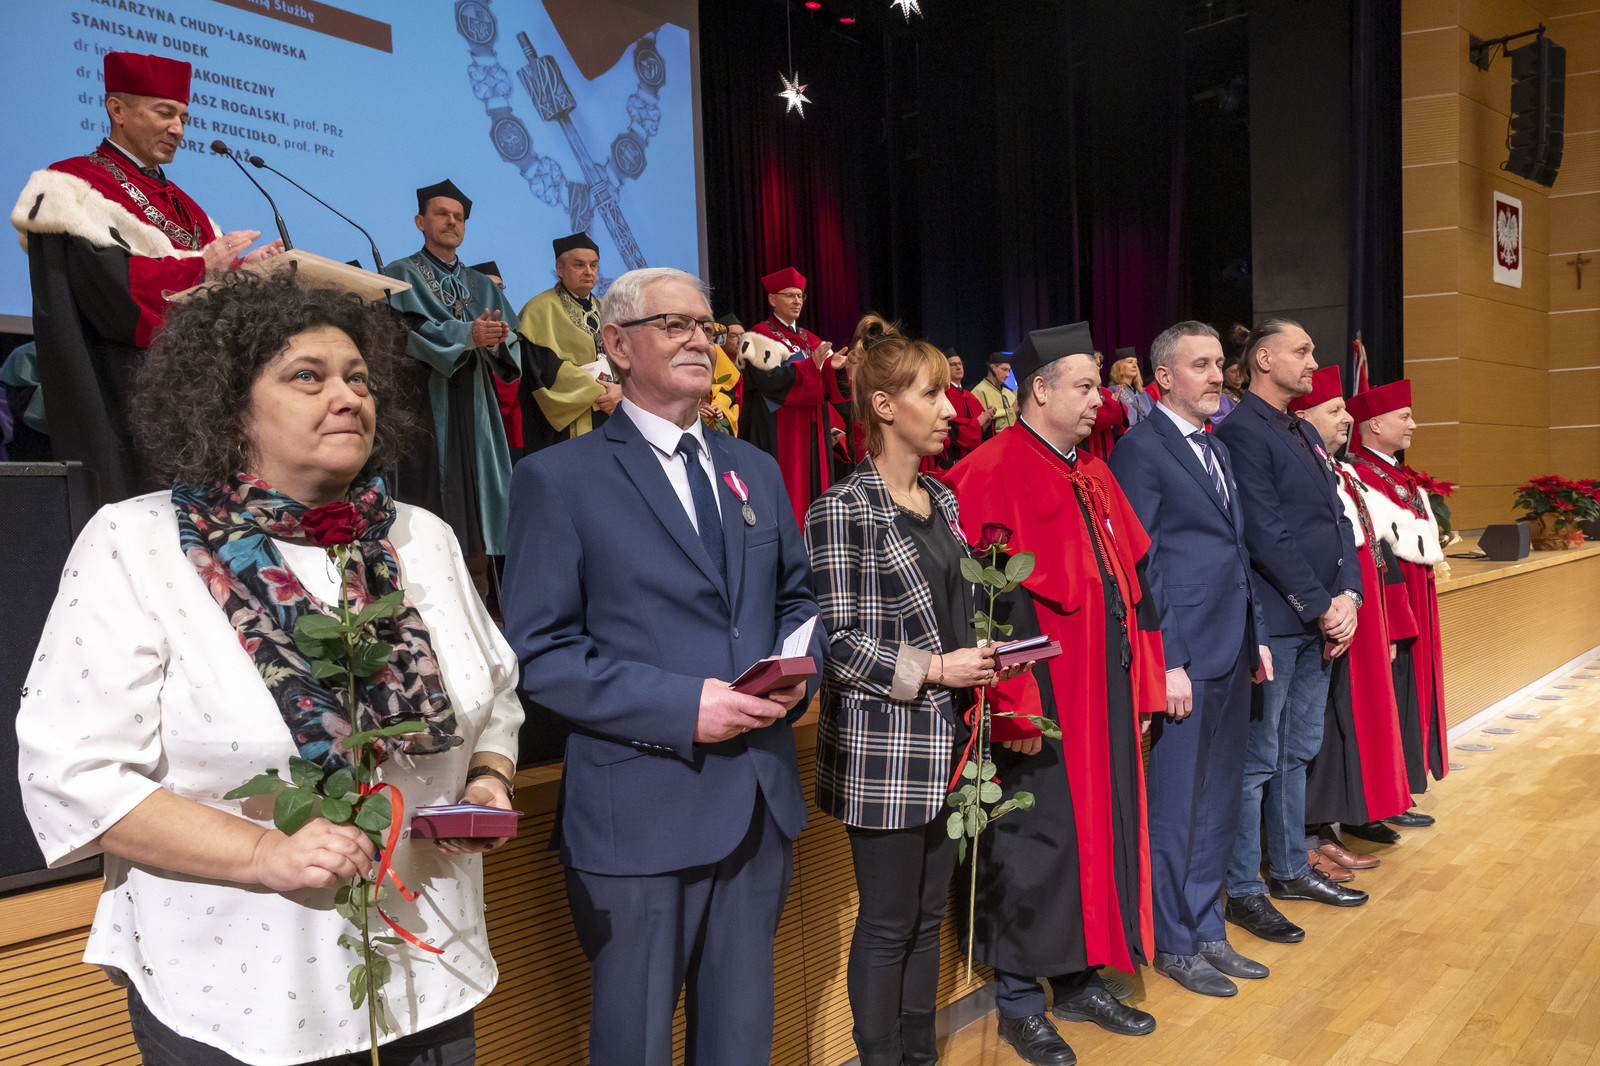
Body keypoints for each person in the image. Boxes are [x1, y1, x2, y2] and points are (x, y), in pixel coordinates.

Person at [15, 269, 523, 1065]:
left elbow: (496, 695)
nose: (347, 397)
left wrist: (487, 781)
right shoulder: (136, 541)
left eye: (359, 378)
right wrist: (261, 853)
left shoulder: (420, 536)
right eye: (307, 377)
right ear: (230, 407)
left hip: (429, 969)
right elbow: (74, 775)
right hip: (236, 993)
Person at [500, 267, 823, 1066]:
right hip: (639, 811)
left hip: (758, 802)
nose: (698, 339)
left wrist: (797, 667)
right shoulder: (558, 479)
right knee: (636, 1044)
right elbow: (541, 655)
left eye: (705, 325)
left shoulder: (754, 467)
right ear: (616, 344)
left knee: (740, 1041)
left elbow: (798, 598)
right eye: (674, 324)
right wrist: (684, 708)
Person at [805, 315, 1025, 1065]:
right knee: (888, 922)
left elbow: (952, 612)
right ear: (883, 406)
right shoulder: (842, 508)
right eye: (931, 394)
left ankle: (918, 1056)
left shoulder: (945, 500)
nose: (949, 408)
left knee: (930, 919)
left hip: (951, 740)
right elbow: (838, 643)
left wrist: (985, 652)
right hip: (884, 748)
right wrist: (937, 669)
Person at [949, 322, 1164, 1066]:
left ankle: (1078, 979)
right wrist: (1010, 703)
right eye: (1085, 386)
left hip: (1102, 689)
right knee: (1033, 840)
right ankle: (1018, 1003)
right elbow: (979, 608)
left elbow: (1132, 586)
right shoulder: (987, 470)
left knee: (1093, 832)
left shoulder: (1092, 472)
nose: (1101, 399)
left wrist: (1144, 684)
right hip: (1037, 695)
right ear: (1039, 390)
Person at [11, 50, 282, 500]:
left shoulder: (185, 204)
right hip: (123, 392)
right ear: (117, 109)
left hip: (198, 398)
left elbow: (200, 279)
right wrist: (205, 268)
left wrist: (242, 271)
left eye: (183, 117)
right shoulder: (73, 185)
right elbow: (112, 295)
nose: (179, 129)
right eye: (165, 113)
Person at [1107, 322, 1272, 999]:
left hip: (1231, 644)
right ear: (1164, 377)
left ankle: (1208, 929)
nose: (1215, 376)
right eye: (1200, 365)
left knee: (1218, 799)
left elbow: (1237, 550)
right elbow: (1141, 565)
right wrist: (1167, 659)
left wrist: (1257, 633)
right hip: (1185, 655)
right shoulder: (1138, 450)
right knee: (1179, 806)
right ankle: (1174, 941)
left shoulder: (1216, 446)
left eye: (1219, 363)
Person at [1214, 320, 1369, 948]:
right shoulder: (1240, 432)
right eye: (1301, 351)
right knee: (1258, 760)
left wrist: (1350, 595)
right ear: (1263, 358)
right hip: (1278, 622)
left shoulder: (1301, 430)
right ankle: (1245, 889)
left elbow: (1338, 518)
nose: (1311, 361)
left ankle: (1290, 868)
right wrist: (1322, 604)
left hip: (1318, 619)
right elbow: (1266, 534)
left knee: (1298, 749)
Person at [1291, 367, 1411, 872]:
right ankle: (1309, 834)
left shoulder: (1338, 470)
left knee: (1334, 728)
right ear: (1304, 416)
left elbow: (1369, 547)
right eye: (1335, 410)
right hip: (1323, 617)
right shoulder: (1308, 468)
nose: (1347, 419)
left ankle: (1328, 827)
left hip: (1352, 613)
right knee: (1314, 731)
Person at [382, 180, 521, 564]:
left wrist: (493, 342)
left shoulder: (482, 284)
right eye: (441, 214)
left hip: (476, 403)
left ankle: (480, 584)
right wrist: (465, 335)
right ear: (420, 221)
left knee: (479, 507)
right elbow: (400, 333)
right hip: (423, 403)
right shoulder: (398, 274)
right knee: (426, 510)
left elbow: (512, 341)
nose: (451, 222)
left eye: (458, 217)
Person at [1345, 380, 1449, 834]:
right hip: (1391, 604)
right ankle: (1383, 798)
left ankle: (1399, 789)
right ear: (1375, 424)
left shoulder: (1392, 474)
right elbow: (1378, 553)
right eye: (1404, 417)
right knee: (1392, 696)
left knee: (1409, 695)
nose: (1413, 425)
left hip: (1412, 600)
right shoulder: (1361, 476)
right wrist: (1394, 617)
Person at [745, 267, 850, 521]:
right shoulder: (759, 334)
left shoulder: (809, 338)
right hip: (781, 426)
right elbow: (766, 379)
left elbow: (824, 385)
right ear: (772, 299)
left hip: (812, 427)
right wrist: (811, 366)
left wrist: (832, 368)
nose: (797, 301)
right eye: (790, 295)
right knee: (787, 492)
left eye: (800, 296)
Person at [513, 231, 622, 454]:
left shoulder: (607, 309)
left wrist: (621, 390)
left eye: (594, 265)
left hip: (610, 411)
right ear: (560, 269)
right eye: (579, 265)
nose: (588, 271)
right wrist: (599, 392)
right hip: (563, 425)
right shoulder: (540, 309)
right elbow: (542, 368)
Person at [921, 349, 990, 475]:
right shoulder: (944, 394)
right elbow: (951, 426)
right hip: (953, 456)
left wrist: (987, 421)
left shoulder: (970, 397)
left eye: (959, 363)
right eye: (953, 364)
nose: (958, 367)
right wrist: (976, 423)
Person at [703, 312, 744, 435]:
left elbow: (729, 388)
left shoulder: (749, 367)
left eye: (743, 335)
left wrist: (719, 405)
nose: (741, 340)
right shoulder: (712, 351)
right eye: (733, 336)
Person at [1108, 348, 1155, 428]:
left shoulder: (1142, 392)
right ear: (1119, 367)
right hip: (1128, 433)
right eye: (1130, 362)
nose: (1134, 365)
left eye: (1136, 362)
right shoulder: (1113, 390)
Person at [972, 352, 1019, 432]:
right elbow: (982, 426)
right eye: (1004, 369)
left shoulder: (1008, 392)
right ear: (993, 368)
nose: (1007, 375)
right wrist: (1012, 411)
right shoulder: (979, 392)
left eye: (1009, 371)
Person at [1211, 352, 1245, 424]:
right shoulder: (1219, 397)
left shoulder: (1246, 394)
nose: (1238, 374)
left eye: (1240, 370)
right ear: (1224, 375)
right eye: (1234, 371)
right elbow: (1214, 421)